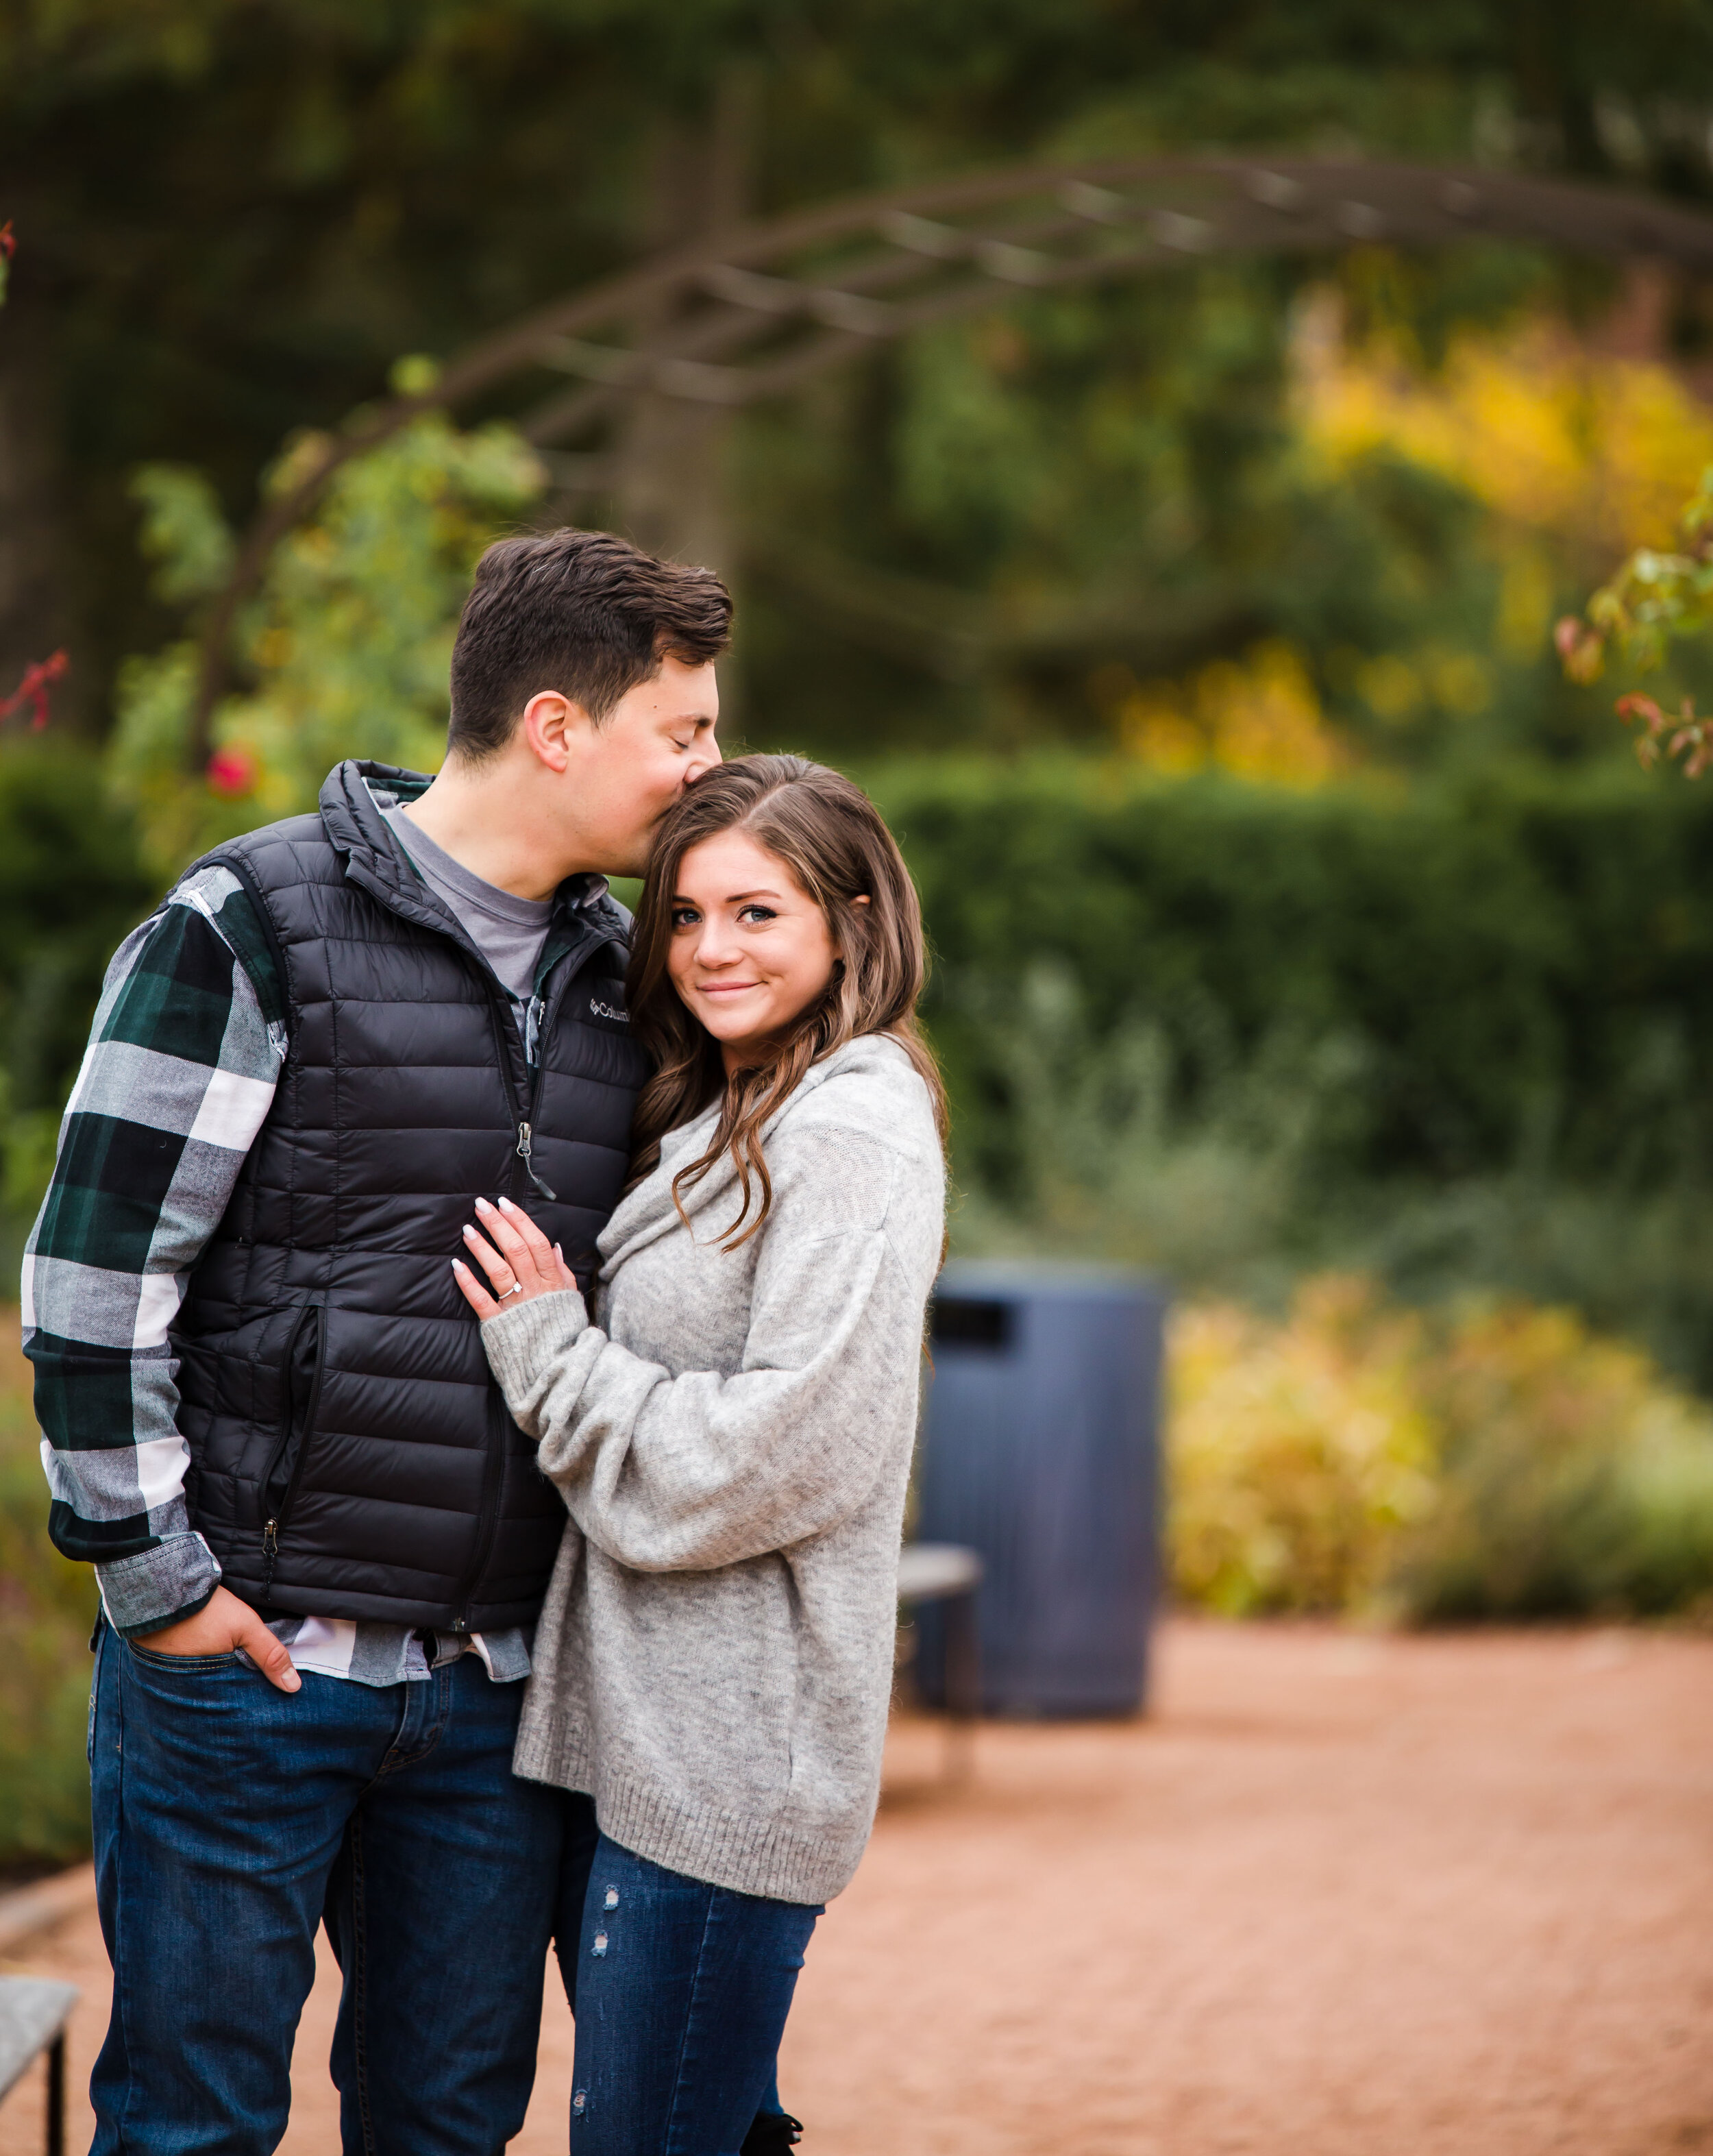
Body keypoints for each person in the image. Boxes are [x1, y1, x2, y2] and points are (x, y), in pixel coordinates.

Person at [24, 527, 728, 2156]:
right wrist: (163, 1588)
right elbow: (89, 1275)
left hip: (490, 1702)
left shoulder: (631, 977)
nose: (707, 768)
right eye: (681, 732)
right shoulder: (250, 921)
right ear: (558, 727)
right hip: (246, 1680)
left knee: (446, 2131)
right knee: (190, 2129)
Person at [453, 754, 949, 2154]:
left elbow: (781, 1455)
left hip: (729, 1767)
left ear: (849, 922)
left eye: (756, 913)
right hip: (644, 1742)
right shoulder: (730, 1104)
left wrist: (550, 1348)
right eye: (681, 914)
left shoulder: (852, 1129)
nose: (707, 950)